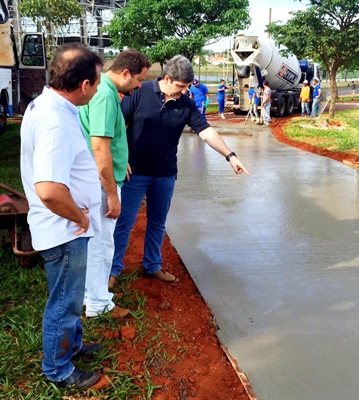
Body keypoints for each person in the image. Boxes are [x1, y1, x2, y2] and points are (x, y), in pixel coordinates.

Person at [110, 55, 249, 285]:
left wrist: (230, 155)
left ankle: (152, 265)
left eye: (187, 87)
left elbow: (205, 131)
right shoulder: (139, 91)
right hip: (134, 172)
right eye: (181, 86)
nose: (184, 92)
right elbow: (117, 125)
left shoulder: (185, 103)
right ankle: (112, 269)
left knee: (157, 222)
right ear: (167, 78)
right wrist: (120, 156)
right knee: (124, 221)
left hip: (165, 173)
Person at [20, 43, 103, 390]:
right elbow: (50, 190)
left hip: (63, 226)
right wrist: (80, 218)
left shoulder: (50, 106)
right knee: (65, 302)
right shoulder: (55, 120)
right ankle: (58, 368)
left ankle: (74, 344)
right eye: (96, 83)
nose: (97, 89)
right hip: (64, 229)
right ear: (83, 84)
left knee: (68, 294)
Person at [78, 49, 151, 317]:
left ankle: (92, 293)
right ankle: (98, 304)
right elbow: (99, 147)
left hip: (98, 175)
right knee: (101, 243)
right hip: (99, 182)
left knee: (97, 241)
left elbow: (106, 143)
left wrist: (121, 160)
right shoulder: (106, 96)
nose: (140, 85)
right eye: (139, 79)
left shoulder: (104, 91)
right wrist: (112, 193)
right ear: (124, 73)